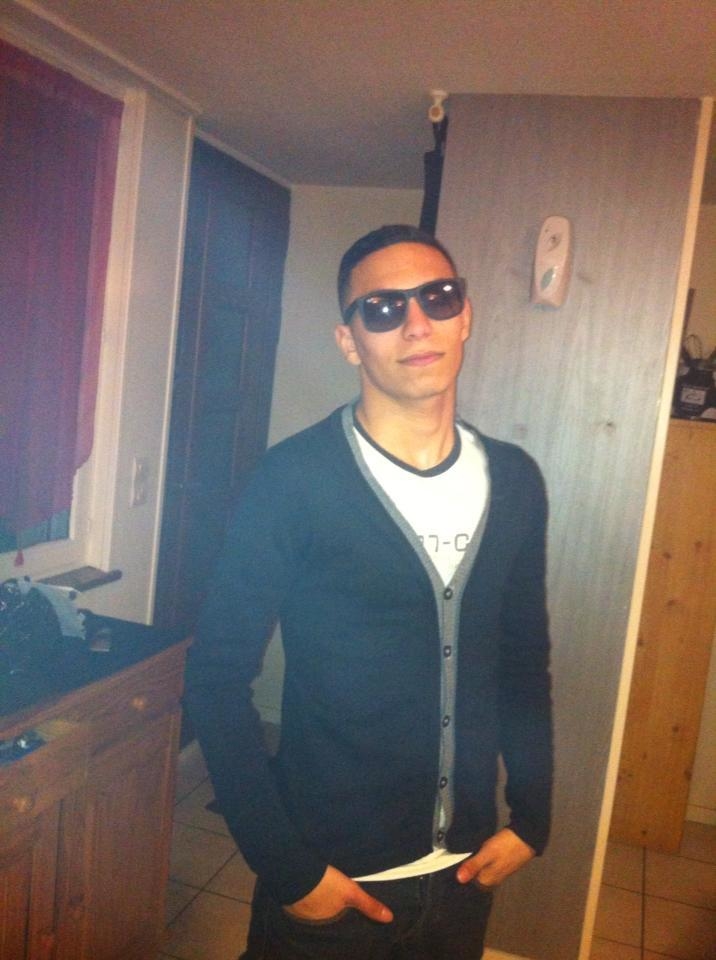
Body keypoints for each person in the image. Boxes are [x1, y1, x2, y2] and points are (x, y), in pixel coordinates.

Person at [184, 224, 553, 959]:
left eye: (437, 298)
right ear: (348, 341)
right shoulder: (293, 482)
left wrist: (534, 816)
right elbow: (216, 678)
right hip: (330, 886)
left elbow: (522, 664)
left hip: (464, 880)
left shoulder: (515, 480)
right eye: (382, 308)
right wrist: (286, 867)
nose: (416, 323)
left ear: (465, 316)